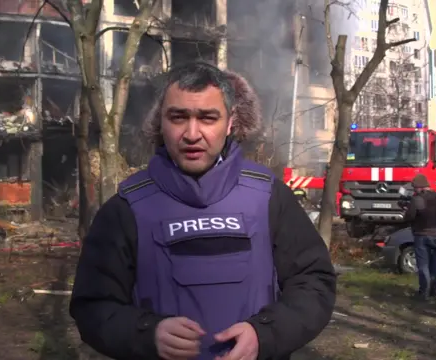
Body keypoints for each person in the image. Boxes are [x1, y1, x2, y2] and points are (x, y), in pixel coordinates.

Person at [70, 62, 337, 360]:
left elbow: (314, 283)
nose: (192, 133)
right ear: (161, 121)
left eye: (208, 118)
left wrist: (265, 334)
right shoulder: (127, 208)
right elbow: (92, 306)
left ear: (230, 122)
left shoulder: (268, 197)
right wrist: (148, 333)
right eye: (178, 117)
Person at [402, 174, 436, 300]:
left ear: (419, 187)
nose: (414, 190)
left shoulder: (417, 200)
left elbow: (410, 216)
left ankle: (424, 292)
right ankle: (434, 291)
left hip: (422, 234)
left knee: (423, 265)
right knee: (435, 265)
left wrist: (406, 209)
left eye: (415, 188)